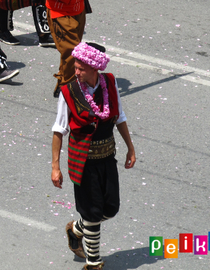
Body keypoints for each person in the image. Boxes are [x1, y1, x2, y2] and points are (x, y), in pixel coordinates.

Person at [51, 42, 136, 269]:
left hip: (107, 157)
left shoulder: (109, 83)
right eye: (75, 67)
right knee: (92, 212)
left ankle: (76, 229)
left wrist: (130, 147)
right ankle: (93, 262)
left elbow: (119, 116)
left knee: (110, 209)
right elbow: (59, 130)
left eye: (80, 68)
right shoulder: (68, 92)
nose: (75, 72)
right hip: (83, 162)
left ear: (94, 68)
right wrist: (55, 166)